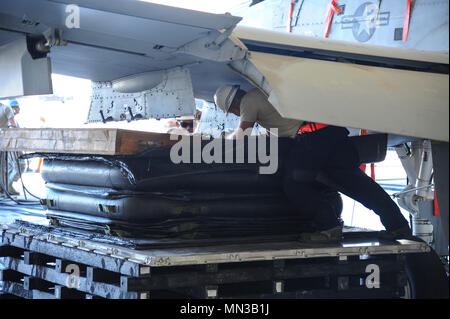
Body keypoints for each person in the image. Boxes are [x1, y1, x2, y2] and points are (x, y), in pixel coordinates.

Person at [214, 85, 411, 242]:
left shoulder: (248, 100)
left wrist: (218, 144)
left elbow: (241, 135)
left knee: (294, 184)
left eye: (231, 111)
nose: (234, 114)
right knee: (356, 184)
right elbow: (278, 129)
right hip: (331, 133)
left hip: (312, 138)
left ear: (233, 104)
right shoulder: (264, 93)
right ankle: (397, 225)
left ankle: (329, 227)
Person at [0, 100, 24, 196]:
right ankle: (5, 187)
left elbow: (12, 125)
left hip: (6, 142)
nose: (17, 109)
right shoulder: (6, 109)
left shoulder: (5, 108)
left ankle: (6, 186)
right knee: (10, 166)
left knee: (8, 166)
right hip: (6, 142)